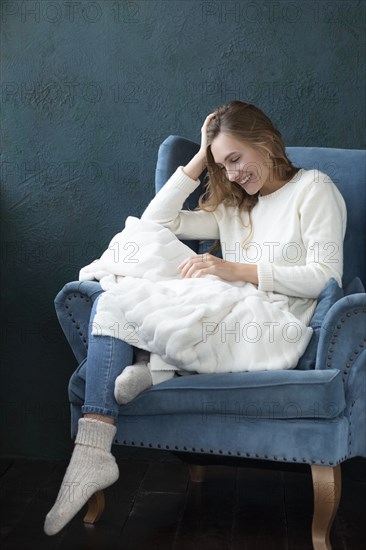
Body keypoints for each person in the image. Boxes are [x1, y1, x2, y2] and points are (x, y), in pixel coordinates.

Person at [44, 100, 347, 536]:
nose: (233, 173)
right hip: (226, 309)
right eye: (223, 165)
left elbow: (324, 277)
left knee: (182, 290)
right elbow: (154, 222)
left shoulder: (314, 189)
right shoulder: (237, 207)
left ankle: (158, 369)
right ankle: (94, 449)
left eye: (236, 158)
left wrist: (231, 269)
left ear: (265, 142)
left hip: (273, 324)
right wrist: (200, 157)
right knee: (119, 290)